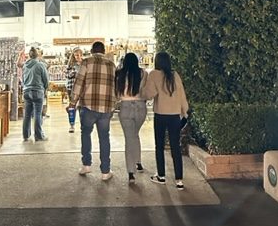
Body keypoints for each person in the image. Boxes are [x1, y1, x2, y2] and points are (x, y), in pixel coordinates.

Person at [69, 40, 116, 181]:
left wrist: (72, 102)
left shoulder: (86, 62)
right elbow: (116, 86)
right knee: (104, 137)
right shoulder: (111, 65)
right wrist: (114, 103)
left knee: (86, 134)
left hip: (88, 105)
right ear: (104, 51)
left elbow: (79, 82)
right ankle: (105, 171)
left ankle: (86, 165)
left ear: (91, 50)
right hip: (106, 107)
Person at [142, 51, 188, 189]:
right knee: (175, 148)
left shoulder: (154, 75)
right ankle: (179, 180)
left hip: (160, 115)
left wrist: (143, 91)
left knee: (159, 146)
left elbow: (149, 94)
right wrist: (184, 112)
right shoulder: (175, 75)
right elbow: (181, 96)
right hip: (174, 116)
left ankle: (161, 176)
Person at [115, 52, 148, 184]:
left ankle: (131, 172)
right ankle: (138, 162)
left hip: (125, 106)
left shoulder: (119, 74)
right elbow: (145, 90)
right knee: (135, 134)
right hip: (140, 106)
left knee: (130, 138)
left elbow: (116, 92)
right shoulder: (143, 73)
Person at [22, 47, 49, 142]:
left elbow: (23, 79)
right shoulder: (40, 65)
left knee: (27, 114)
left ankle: (26, 135)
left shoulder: (25, 65)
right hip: (37, 91)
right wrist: (46, 88)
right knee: (37, 114)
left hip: (26, 91)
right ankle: (39, 135)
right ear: (37, 55)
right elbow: (46, 79)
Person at [66, 47, 83, 133]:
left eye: (79, 55)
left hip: (82, 89)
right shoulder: (70, 64)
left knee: (82, 107)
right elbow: (68, 75)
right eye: (76, 55)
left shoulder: (84, 63)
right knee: (72, 107)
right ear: (73, 55)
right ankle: (71, 125)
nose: (78, 56)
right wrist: (74, 72)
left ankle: (82, 124)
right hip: (72, 88)